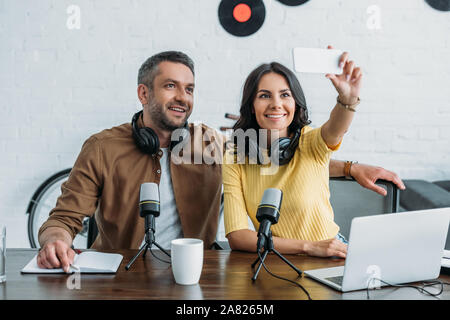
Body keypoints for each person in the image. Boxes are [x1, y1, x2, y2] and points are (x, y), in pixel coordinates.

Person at [37, 50, 404, 272]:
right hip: (126, 271)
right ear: (143, 93)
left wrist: (350, 166)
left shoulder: (211, 142)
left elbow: (277, 158)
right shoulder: (102, 148)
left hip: (202, 271)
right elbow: (64, 218)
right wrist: (55, 240)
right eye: (170, 86)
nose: (183, 97)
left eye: (190, 88)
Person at [223, 47, 402, 258]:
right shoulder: (235, 157)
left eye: (285, 95)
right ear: (252, 106)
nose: (276, 104)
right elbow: (238, 236)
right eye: (264, 95)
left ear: (295, 104)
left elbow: (336, 128)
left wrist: (348, 99)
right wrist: (308, 247)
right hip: (278, 259)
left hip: (332, 254)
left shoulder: (310, 142)